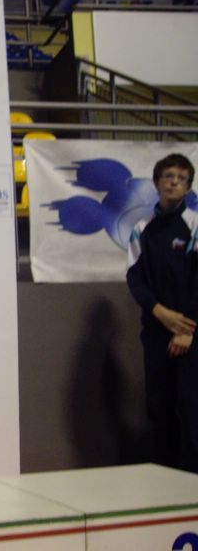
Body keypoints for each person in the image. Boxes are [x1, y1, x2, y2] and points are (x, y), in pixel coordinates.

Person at [127, 152, 198, 473]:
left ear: (188, 188)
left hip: (190, 336)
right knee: (160, 410)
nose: (174, 183)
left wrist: (187, 330)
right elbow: (135, 277)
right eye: (168, 176)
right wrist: (158, 312)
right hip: (156, 333)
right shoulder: (142, 228)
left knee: (191, 410)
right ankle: (163, 483)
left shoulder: (194, 224)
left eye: (181, 179)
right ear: (157, 182)